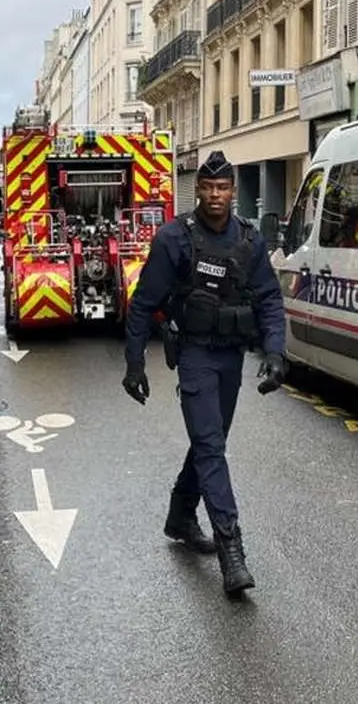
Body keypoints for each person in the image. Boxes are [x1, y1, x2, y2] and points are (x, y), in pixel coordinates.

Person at [120, 150, 286, 598]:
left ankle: (180, 516)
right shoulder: (175, 238)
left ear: (232, 192)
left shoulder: (250, 240)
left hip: (230, 357)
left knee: (209, 442)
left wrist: (275, 352)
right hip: (194, 354)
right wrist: (135, 363)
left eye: (223, 188)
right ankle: (232, 550)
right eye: (209, 188)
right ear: (198, 190)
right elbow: (143, 303)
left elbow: (269, 299)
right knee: (211, 446)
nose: (215, 195)